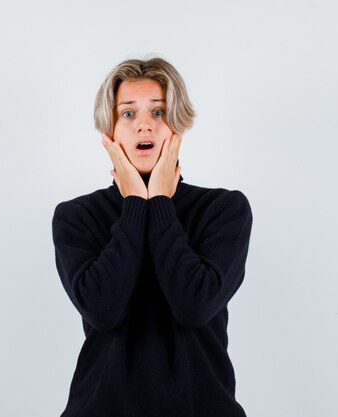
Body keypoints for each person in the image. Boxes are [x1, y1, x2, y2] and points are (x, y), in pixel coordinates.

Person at [51, 56, 254, 416]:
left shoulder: (224, 211)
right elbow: (103, 309)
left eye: (158, 113)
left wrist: (159, 201)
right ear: (109, 131)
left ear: (177, 125)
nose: (144, 125)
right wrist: (134, 206)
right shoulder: (77, 217)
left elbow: (193, 305)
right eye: (128, 114)